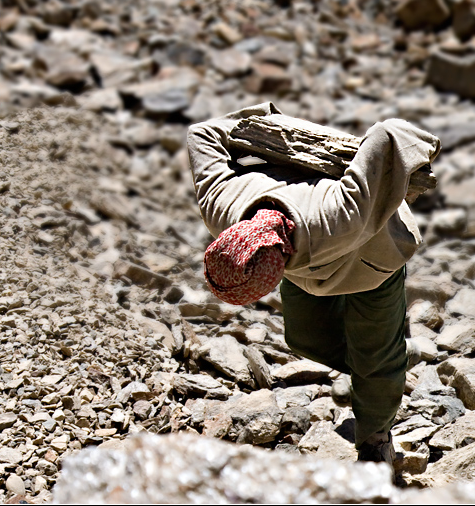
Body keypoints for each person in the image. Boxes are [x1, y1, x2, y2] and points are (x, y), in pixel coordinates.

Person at [187, 101, 440, 465]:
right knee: (304, 339)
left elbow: (391, 133)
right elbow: (201, 132)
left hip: (372, 263)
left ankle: (375, 438)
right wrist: (263, 119)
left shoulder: (338, 214)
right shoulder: (220, 207)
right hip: (307, 268)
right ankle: (393, 364)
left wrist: (429, 147)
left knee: (374, 360)